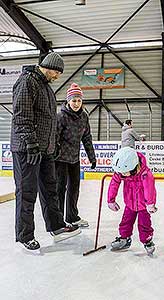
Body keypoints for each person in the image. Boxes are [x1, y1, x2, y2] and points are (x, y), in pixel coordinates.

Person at [11, 52, 81, 252]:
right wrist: (31, 143)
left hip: (45, 150)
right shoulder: (27, 83)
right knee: (27, 192)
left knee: (51, 189)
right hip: (27, 149)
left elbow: (49, 121)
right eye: (57, 72)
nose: (58, 77)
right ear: (49, 67)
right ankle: (25, 235)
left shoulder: (47, 88)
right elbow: (22, 116)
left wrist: (53, 144)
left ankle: (56, 226)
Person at [55, 83, 96, 228]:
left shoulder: (84, 116)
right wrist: (54, 154)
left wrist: (92, 157)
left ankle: (72, 216)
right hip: (60, 159)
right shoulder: (61, 116)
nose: (77, 103)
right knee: (60, 188)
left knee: (74, 188)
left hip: (74, 159)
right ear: (68, 101)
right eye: (74, 100)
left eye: (79, 100)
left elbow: (87, 137)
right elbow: (54, 137)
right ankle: (58, 220)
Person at [107, 146, 157, 255]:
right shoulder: (122, 172)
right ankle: (124, 238)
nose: (122, 174)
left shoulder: (145, 174)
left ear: (134, 167)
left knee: (144, 225)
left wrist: (150, 203)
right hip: (129, 203)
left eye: (124, 172)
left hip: (144, 206)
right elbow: (114, 183)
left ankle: (147, 241)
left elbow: (150, 189)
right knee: (125, 222)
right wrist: (111, 200)